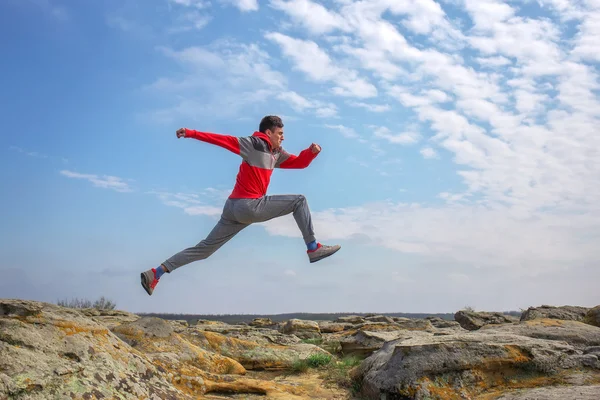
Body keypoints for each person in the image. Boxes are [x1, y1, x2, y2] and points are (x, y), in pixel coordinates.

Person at [141, 115, 341, 296]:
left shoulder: (276, 154)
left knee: (204, 249)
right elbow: (222, 140)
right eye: (280, 134)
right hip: (248, 206)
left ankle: (155, 273)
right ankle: (313, 248)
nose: (283, 137)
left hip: (232, 208)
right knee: (299, 201)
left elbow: (299, 163)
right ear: (268, 132)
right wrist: (192, 133)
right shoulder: (252, 144)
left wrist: (311, 153)